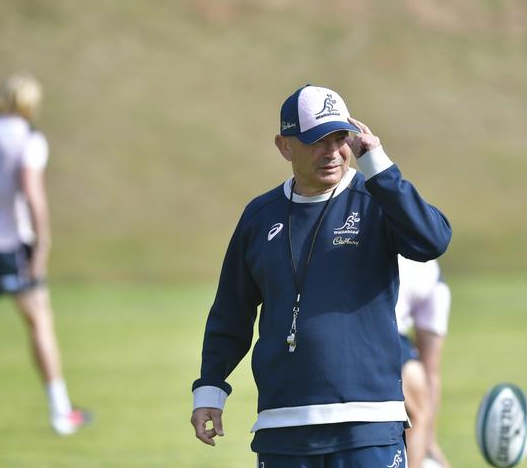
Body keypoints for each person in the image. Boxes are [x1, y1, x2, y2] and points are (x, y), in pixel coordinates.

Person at [190, 84, 452, 467]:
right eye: (316, 141)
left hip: (369, 423)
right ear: (284, 146)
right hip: (283, 425)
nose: (331, 152)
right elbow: (232, 310)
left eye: (339, 138)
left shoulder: (377, 198)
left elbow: (431, 240)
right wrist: (210, 389)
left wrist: (379, 166)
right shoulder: (259, 216)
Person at [0, 73, 90, 435]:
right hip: (11, 244)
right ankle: (60, 412)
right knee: (40, 323)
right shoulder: (28, 138)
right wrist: (42, 243)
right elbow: (31, 193)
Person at [395, 256, 452, 468]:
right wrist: (428, 439)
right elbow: (431, 372)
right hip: (383, 339)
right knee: (418, 410)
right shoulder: (432, 277)